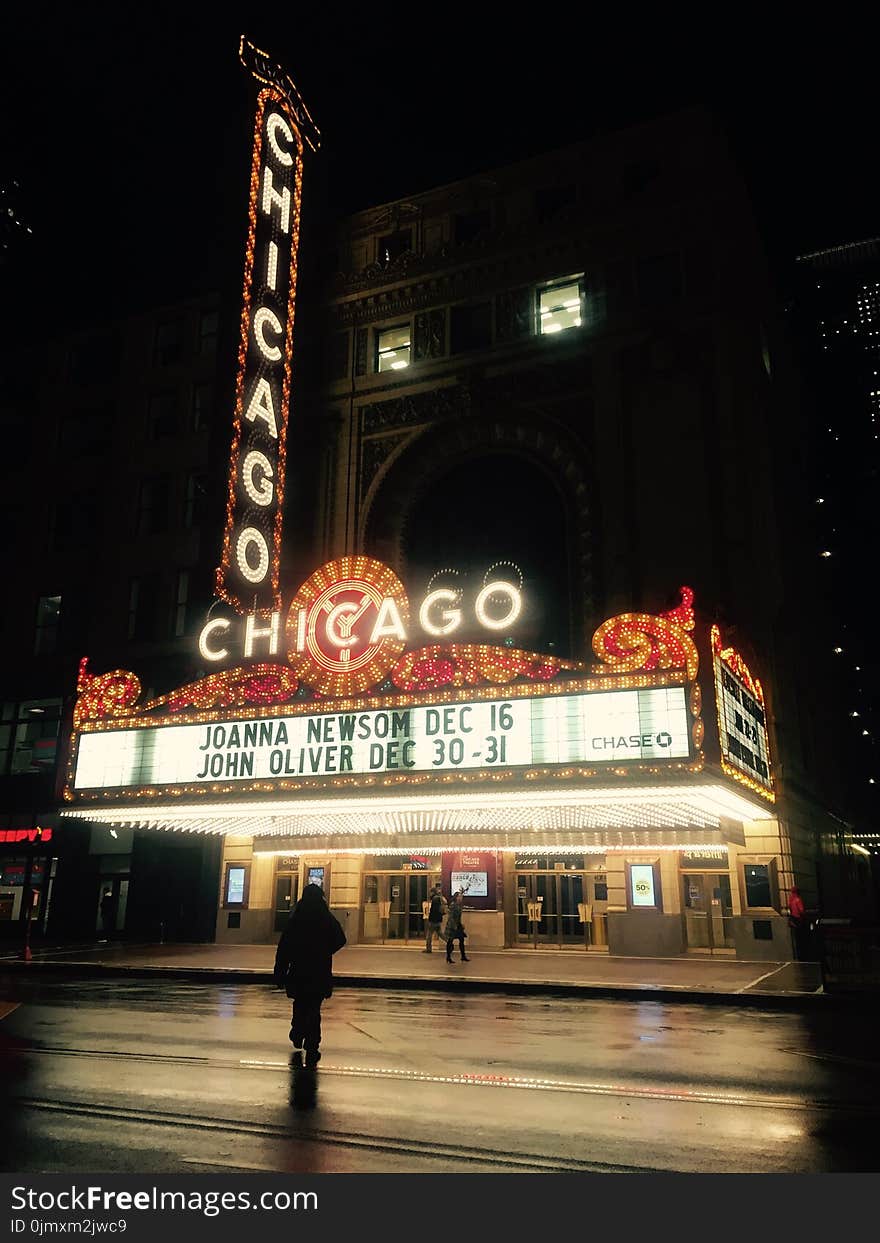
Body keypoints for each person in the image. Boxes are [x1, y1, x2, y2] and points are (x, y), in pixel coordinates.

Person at [273, 883, 346, 1066]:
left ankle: (297, 1032)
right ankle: (312, 1043)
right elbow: (340, 939)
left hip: (299, 969)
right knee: (314, 1008)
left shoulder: (296, 917)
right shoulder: (325, 916)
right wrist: (325, 950)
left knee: (300, 1004)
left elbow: (284, 947)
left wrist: (280, 971)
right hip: (319, 970)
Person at [443, 889, 469, 963]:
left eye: (461, 896)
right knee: (450, 941)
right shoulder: (453, 905)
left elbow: (458, 917)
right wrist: (454, 925)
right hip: (452, 925)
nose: (461, 898)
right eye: (460, 896)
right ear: (456, 897)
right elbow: (451, 916)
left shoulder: (459, 905)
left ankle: (463, 956)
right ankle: (448, 957)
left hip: (457, 925)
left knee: (461, 940)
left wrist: (460, 924)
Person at [423, 883, 447, 953]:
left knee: (429, 935)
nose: (429, 894)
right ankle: (449, 942)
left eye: (430, 892)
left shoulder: (434, 899)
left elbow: (434, 910)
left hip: (433, 920)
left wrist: (430, 919)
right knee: (440, 934)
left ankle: (428, 949)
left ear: (432, 892)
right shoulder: (439, 898)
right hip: (438, 920)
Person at [788, 885, 807, 958]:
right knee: (802, 938)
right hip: (799, 920)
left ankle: (798, 955)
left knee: (797, 939)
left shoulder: (791, 901)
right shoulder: (798, 900)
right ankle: (803, 955)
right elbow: (801, 911)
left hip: (794, 920)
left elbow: (791, 910)